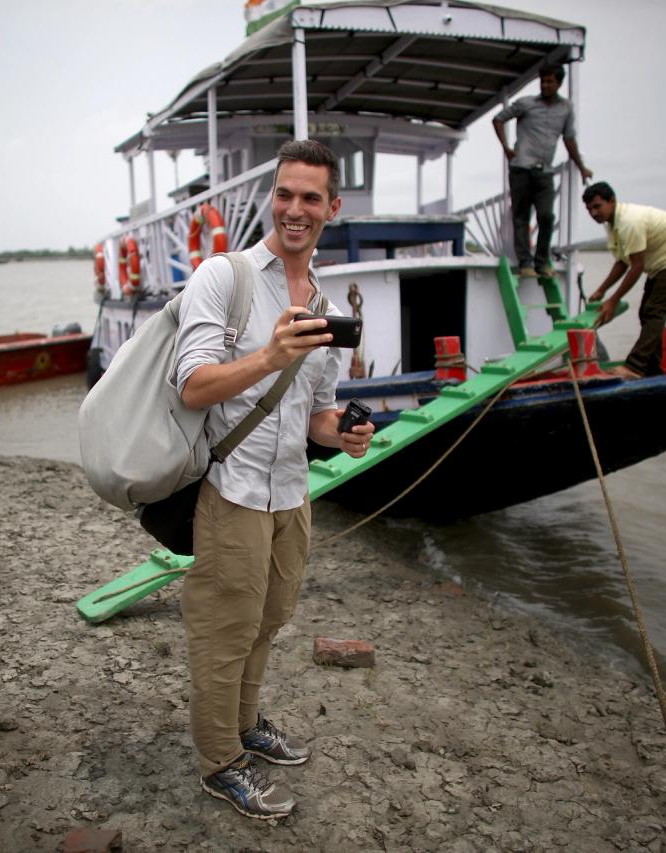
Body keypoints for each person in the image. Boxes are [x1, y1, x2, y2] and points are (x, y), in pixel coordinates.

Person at [174, 139, 376, 820]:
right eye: (285, 193)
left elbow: (317, 413)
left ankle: (247, 722)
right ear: (273, 197)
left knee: (271, 616)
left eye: (311, 197)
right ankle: (219, 760)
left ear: (332, 207)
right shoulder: (223, 277)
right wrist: (267, 355)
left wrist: (343, 435)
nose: (295, 208)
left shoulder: (321, 300)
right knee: (223, 627)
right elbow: (194, 384)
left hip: (292, 490)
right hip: (232, 488)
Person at [582, 182, 666, 378]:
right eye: (589, 209)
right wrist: (602, 290)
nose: (594, 213)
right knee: (646, 312)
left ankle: (635, 367)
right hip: (661, 264)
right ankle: (652, 369)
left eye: (597, 206)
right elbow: (622, 262)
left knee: (654, 310)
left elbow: (636, 266)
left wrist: (613, 300)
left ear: (612, 201)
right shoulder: (613, 224)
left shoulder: (629, 222)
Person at [492, 64, 593, 278]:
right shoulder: (526, 104)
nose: (545, 85)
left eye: (550, 81)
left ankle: (542, 261)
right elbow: (498, 119)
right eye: (543, 81)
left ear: (559, 83)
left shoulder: (566, 108)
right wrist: (506, 147)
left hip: (544, 170)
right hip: (521, 168)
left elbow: (569, 140)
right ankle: (525, 263)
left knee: (546, 216)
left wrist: (582, 168)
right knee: (521, 216)